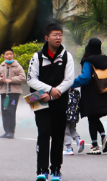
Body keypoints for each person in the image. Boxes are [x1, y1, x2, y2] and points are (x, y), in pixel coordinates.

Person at [26, 23, 75, 181]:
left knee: (58, 136)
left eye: (60, 34)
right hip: (40, 100)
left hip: (59, 100)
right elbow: (30, 79)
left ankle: (56, 170)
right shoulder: (37, 56)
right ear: (47, 38)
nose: (58, 37)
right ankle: (41, 170)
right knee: (44, 133)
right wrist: (47, 90)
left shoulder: (67, 56)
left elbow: (69, 80)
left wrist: (54, 93)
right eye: (55, 35)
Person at [71, 37, 107, 154]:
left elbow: (85, 77)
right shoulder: (104, 60)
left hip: (91, 93)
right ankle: (104, 137)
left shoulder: (88, 61)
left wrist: (71, 84)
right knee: (95, 117)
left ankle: (95, 145)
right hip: (103, 91)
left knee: (91, 118)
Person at [0, 46, 26, 139]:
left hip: (14, 93)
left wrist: (11, 80)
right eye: (7, 54)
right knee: (5, 111)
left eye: (11, 54)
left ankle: (11, 132)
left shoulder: (17, 66)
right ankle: (6, 131)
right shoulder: (1, 67)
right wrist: (1, 80)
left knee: (11, 111)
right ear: (4, 56)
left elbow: (23, 77)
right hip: (4, 93)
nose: (9, 56)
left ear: (13, 55)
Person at [63, 88, 82, 155]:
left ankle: (69, 148)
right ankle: (78, 140)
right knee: (73, 130)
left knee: (65, 132)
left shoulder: (64, 91)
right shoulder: (76, 92)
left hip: (66, 116)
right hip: (74, 116)